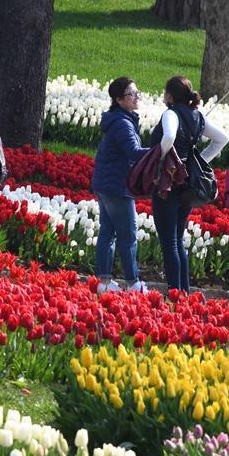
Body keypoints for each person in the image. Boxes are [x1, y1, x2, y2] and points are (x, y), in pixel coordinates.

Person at [149, 76, 229, 293]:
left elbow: (168, 137)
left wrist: (160, 161)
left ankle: (175, 292)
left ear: (169, 96)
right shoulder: (197, 116)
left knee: (169, 243)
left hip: (168, 184)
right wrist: (199, 160)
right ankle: (184, 292)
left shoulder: (171, 114)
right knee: (177, 240)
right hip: (186, 186)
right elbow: (223, 138)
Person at [91, 77, 151, 294]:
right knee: (128, 235)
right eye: (131, 94)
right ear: (118, 99)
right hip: (117, 187)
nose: (136, 97)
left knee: (108, 231)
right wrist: (159, 150)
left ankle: (104, 282)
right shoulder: (122, 123)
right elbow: (134, 152)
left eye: (137, 93)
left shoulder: (118, 120)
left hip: (105, 183)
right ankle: (133, 282)